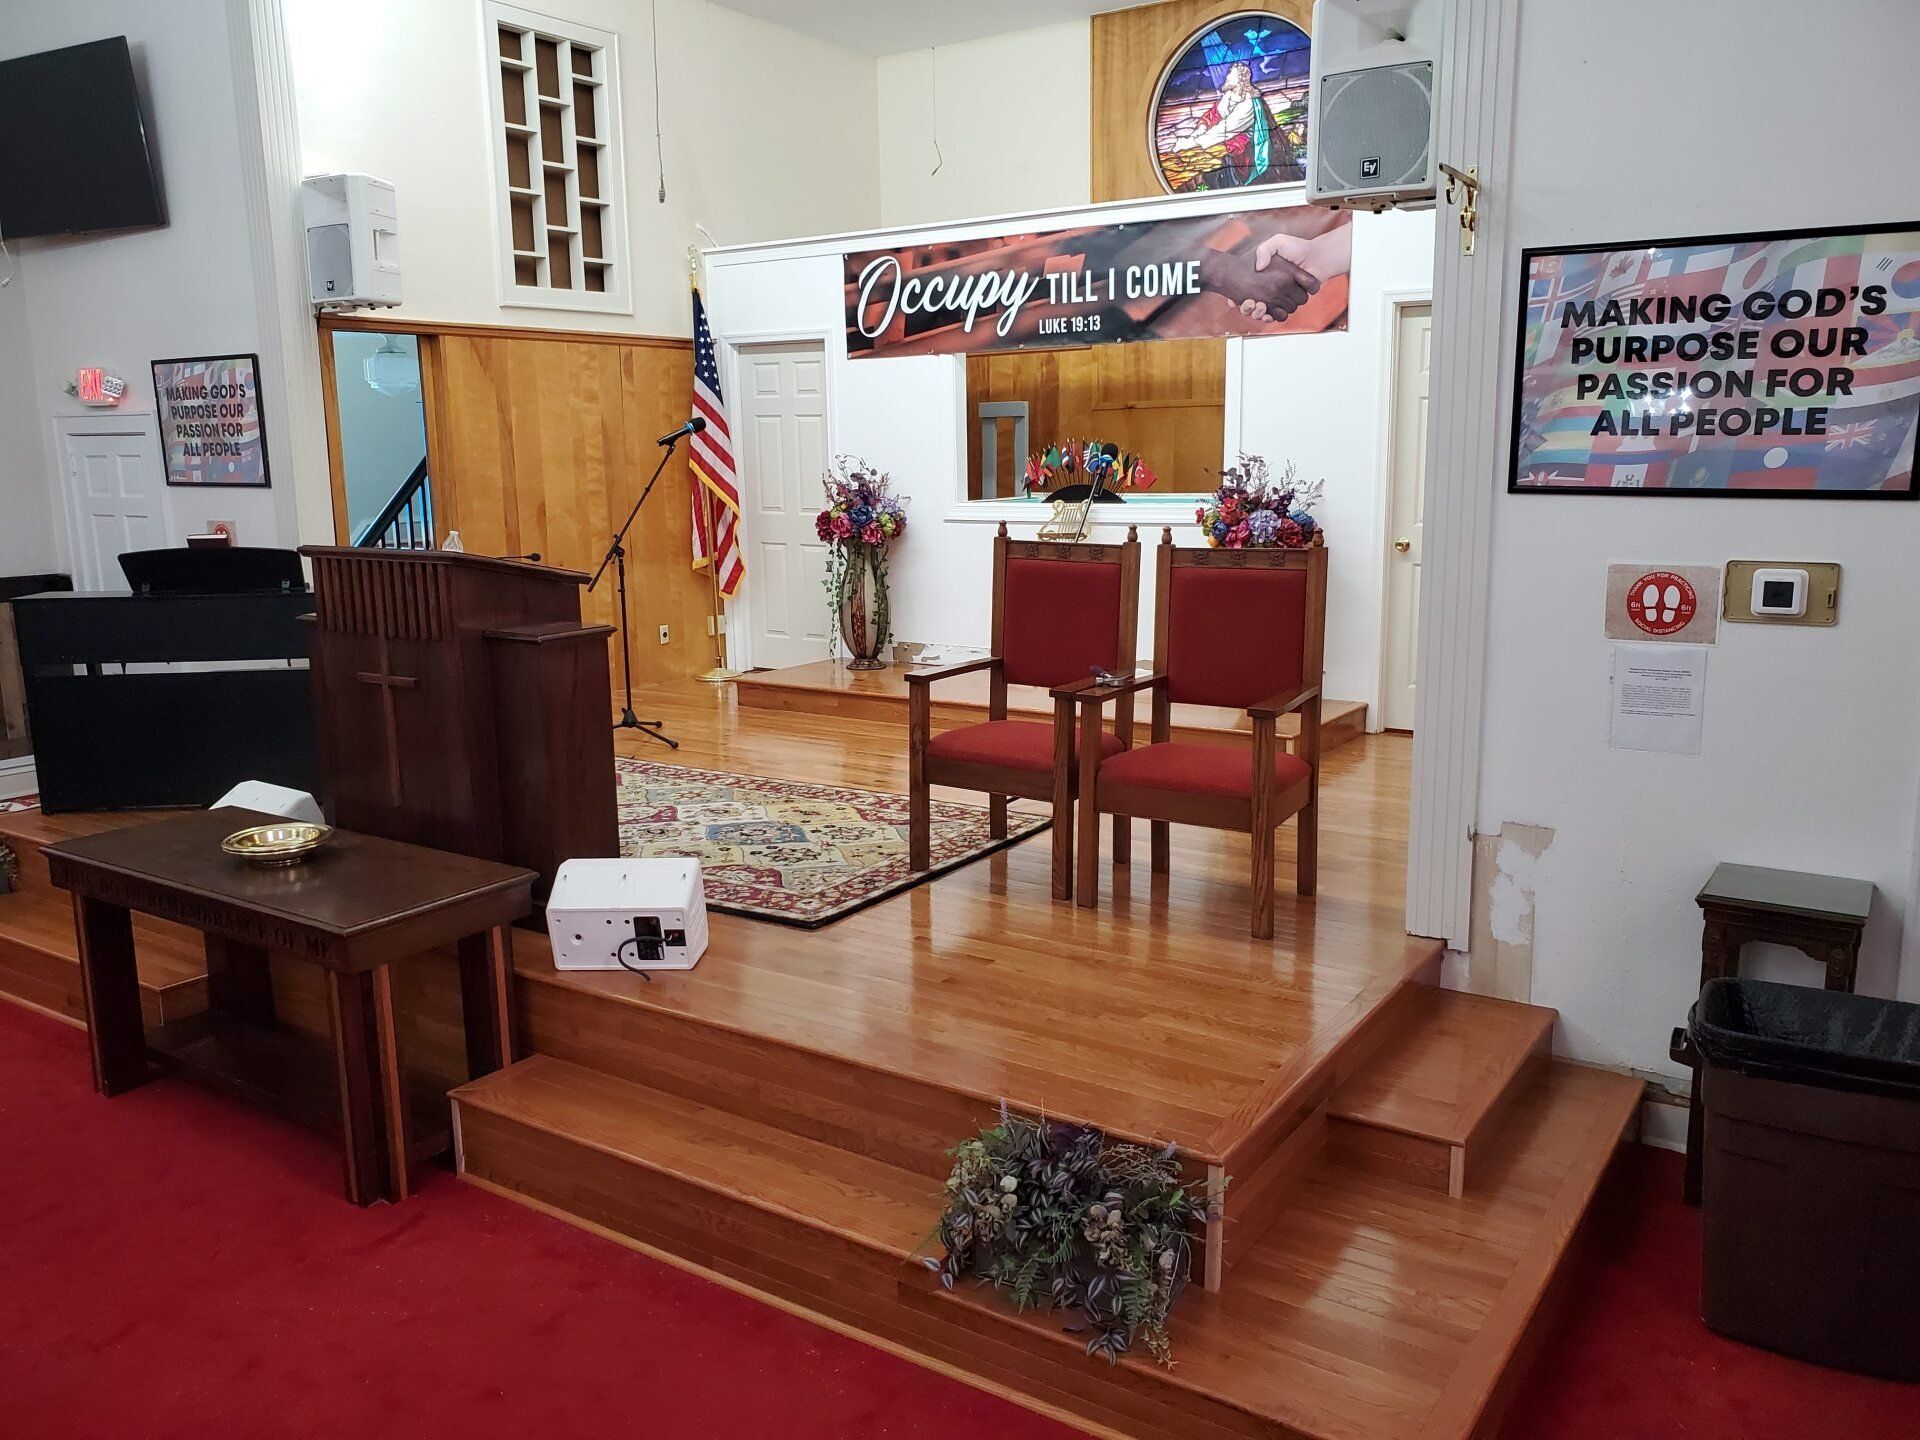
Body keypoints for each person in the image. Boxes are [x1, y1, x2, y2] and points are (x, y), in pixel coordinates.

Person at [1172, 62, 1271, 188]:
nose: (1227, 76)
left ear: (1240, 80)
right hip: (1223, 141)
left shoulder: (1248, 104)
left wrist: (1192, 142)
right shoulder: (1227, 97)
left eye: (1231, 73)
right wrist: (1201, 129)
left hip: (1242, 152)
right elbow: (1211, 116)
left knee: (1209, 161)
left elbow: (1226, 129)